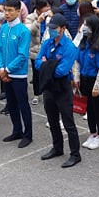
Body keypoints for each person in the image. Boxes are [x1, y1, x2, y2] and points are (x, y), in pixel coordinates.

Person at [36, 14, 81, 168]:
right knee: (52, 120)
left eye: (54, 28)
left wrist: (47, 64)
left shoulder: (69, 47)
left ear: (62, 29)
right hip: (49, 86)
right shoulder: (47, 43)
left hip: (62, 88)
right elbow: (37, 62)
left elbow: (62, 71)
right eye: (50, 28)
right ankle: (57, 147)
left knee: (68, 122)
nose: (51, 30)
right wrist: (51, 64)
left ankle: (75, 154)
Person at [0, 0, 34, 148]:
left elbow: (22, 55)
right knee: (11, 104)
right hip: (5, 73)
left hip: (18, 75)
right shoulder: (4, 28)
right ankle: (17, 130)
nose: (7, 13)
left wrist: (7, 69)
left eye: (10, 10)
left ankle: (28, 135)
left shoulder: (23, 31)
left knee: (23, 105)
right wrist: (1, 68)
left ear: (18, 11)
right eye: (5, 10)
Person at [74, 14, 99, 150]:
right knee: (88, 108)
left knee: (97, 109)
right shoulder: (83, 43)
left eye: (87, 25)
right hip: (84, 80)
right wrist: (77, 78)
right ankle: (92, 133)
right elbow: (77, 61)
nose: (84, 27)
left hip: (96, 81)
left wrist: (97, 86)